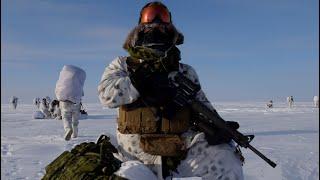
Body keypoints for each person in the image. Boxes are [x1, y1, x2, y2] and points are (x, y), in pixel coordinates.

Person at [98, 2, 243, 179]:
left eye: (163, 18)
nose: (157, 24)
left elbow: (202, 105)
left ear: (170, 27)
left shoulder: (185, 72)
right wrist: (139, 82)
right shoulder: (123, 65)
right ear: (140, 27)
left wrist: (219, 127)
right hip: (136, 156)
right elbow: (105, 96)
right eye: (150, 18)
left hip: (180, 150)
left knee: (226, 158)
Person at [55, 65, 86, 141]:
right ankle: (75, 134)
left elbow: (57, 91)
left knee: (66, 117)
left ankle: (68, 129)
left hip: (65, 103)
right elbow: (82, 93)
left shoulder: (62, 83)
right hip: (76, 103)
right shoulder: (77, 85)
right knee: (75, 120)